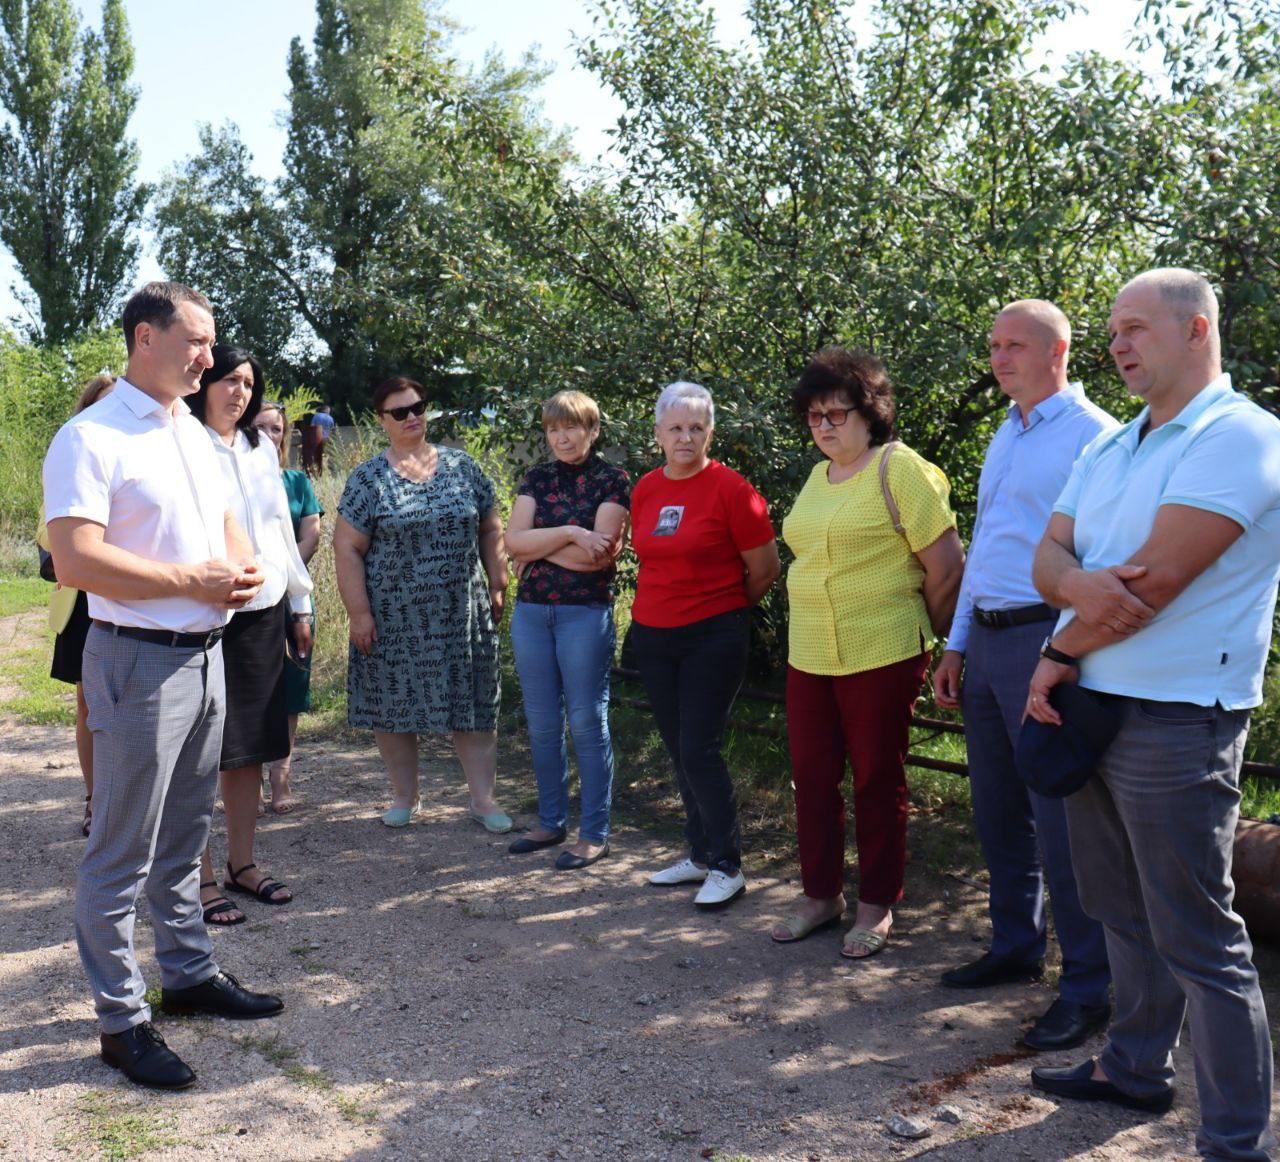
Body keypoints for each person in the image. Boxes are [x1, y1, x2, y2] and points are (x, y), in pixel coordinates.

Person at [1025, 269, 1279, 1161]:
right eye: (1112, 334)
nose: (1120, 346)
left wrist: (1058, 646)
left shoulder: (1241, 436)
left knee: (1199, 935)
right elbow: (1044, 558)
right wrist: (1079, 583)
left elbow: (1158, 584)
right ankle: (1135, 1068)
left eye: (1136, 328)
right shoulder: (1113, 444)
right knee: (1117, 906)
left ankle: (1235, 1144)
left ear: (1197, 329)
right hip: (1094, 704)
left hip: (1178, 716)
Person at [42, 282, 283, 1092]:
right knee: (120, 851)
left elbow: (225, 523)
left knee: (185, 835)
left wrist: (241, 565)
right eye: (197, 342)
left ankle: (185, 976)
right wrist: (193, 576)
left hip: (206, 653)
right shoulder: (92, 437)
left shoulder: (191, 432)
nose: (211, 358)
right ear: (146, 337)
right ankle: (121, 1022)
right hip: (136, 658)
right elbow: (75, 560)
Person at [931, 302, 1116, 1048]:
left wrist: (1063, 653)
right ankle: (1015, 947)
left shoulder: (1095, 437)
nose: (1000, 357)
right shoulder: (1007, 431)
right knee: (998, 808)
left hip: (1048, 642)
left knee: (1062, 823)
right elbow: (988, 548)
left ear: (1058, 351)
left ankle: (1088, 985)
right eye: (994, 343)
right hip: (988, 643)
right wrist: (955, 644)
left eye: (1016, 345)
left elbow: (1098, 561)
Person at [771, 348, 965, 958]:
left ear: (871, 411)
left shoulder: (901, 470)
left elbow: (947, 569)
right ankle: (820, 896)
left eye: (837, 413)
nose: (825, 426)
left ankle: (877, 905)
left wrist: (932, 639)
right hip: (810, 652)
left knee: (877, 779)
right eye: (814, 417)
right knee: (812, 777)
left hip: (881, 650)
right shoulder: (817, 474)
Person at [333, 376, 512, 832]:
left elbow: (491, 527)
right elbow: (347, 548)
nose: (412, 417)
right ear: (382, 421)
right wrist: (359, 613)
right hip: (393, 616)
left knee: (472, 702)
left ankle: (484, 800)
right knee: (393, 705)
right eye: (399, 412)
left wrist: (497, 577)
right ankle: (404, 796)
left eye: (417, 407)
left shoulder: (462, 466)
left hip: (461, 609)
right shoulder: (368, 478)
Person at [631, 381, 780, 908]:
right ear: (658, 434)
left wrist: (719, 607)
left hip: (713, 635)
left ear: (710, 432)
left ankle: (727, 863)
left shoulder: (733, 490)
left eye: (696, 427)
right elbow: (648, 554)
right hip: (653, 634)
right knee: (678, 748)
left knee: (699, 747)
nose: (685, 437)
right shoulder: (646, 487)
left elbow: (764, 569)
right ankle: (697, 855)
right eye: (675, 427)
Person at [189, 348, 314, 926]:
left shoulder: (261, 447)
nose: (238, 392)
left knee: (246, 748)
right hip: (200, 612)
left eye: (247, 383)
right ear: (204, 384)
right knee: (198, 751)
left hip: (262, 612)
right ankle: (201, 877)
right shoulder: (180, 441)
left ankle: (242, 864)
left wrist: (299, 603)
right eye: (228, 380)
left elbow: (280, 533)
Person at [504, 390, 630, 870]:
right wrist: (573, 532)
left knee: (585, 721)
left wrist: (536, 548)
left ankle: (594, 833)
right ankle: (551, 821)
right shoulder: (536, 476)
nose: (561, 437)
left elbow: (600, 557)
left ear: (592, 430)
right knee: (540, 722)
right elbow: (512, 540)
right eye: (553, 429)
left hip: (584, 614)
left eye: (571, 427)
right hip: (533, 613)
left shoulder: (612, 480)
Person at [39, 373, 115, 836]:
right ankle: (94, 800)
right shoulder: (69, 457)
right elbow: (50, 546)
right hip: (82, 600)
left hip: (133, 596)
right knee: (89, 703)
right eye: (103, 404)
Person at [254, 399, 323, 814]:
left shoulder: (297, 482)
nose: (267, 436)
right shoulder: (232, 478)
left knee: (290, 690)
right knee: (249, 690)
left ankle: (281, 779)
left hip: (293, 595)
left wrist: (282, 572)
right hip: (249, 597)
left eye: (275, 429)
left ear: (285, 436)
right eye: (259, 427)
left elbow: (310, 536)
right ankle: (249, 782)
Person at [303, 403, 334, 475]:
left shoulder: (316, 416)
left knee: (315, 455)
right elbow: (332, 430)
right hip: (326, 439)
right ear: (327, 410)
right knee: (324, 455)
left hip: (316, 438)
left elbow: (312, 427)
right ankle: (324, 470)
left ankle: (315, 471)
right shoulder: (330, 418)